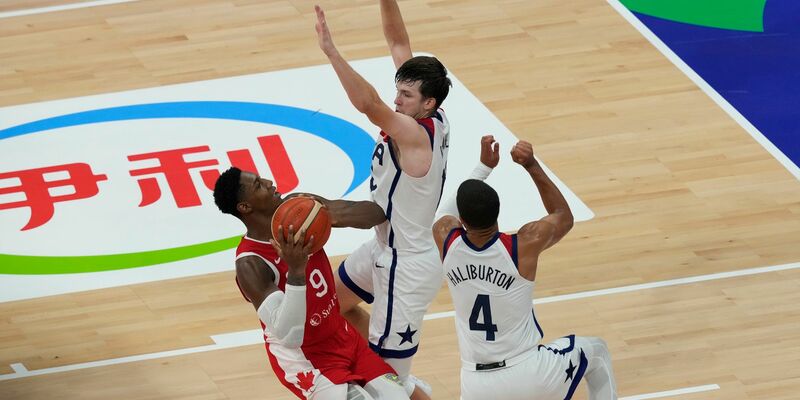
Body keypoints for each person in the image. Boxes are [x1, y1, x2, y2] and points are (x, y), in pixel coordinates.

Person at [314, 2, 459, 398]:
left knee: (386, 390)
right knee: (333, 306)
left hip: (408, 266)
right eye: (398, 90)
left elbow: (368, 105)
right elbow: (398, 40)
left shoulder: (414, 136)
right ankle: (395, 375)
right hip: (384, 245)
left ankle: (401, 384)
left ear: (428, 104)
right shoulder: (431, 107)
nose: (397, 100)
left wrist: (331, 51)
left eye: (406, 95)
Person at [432, 138, 618, 399]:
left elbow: (442, 213)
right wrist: (531, 164)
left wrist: (484, 168)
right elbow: (563, 215)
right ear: (498, 213)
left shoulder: (445, 239)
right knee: (596, 351)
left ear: (462, 221)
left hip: (475, 384)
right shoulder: (522, 246)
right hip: (529, 371)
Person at [213, 167, 408, 400]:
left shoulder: (300, 209)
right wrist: (296, 270)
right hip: (305, 359)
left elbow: (376, 214)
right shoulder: (251, 263)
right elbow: (289, 335)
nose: (268, 181)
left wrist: (331, 213)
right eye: (257, 185)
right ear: (245, 207)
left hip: (342, 337)